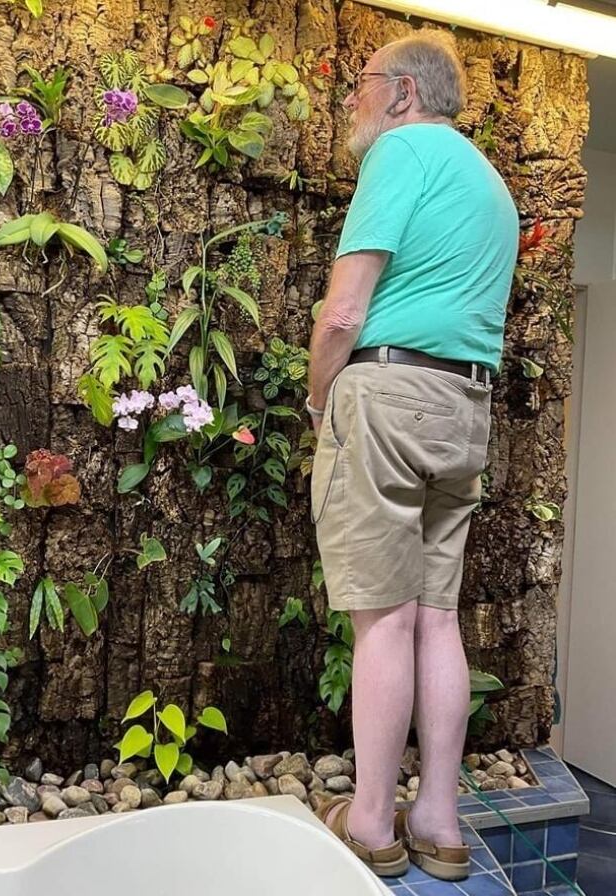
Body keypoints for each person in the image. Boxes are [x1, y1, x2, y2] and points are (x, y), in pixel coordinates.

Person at [306, 32, 519, 881]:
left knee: (383, 616)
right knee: (436, 615)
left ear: (401, 92)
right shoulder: (490, 183)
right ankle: (438, 818)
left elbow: (344, 312)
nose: (352, 101)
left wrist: (321, 397)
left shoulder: (401, 151)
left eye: (361, 85)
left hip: (388, 396)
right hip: (464, 406)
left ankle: (368, 822)